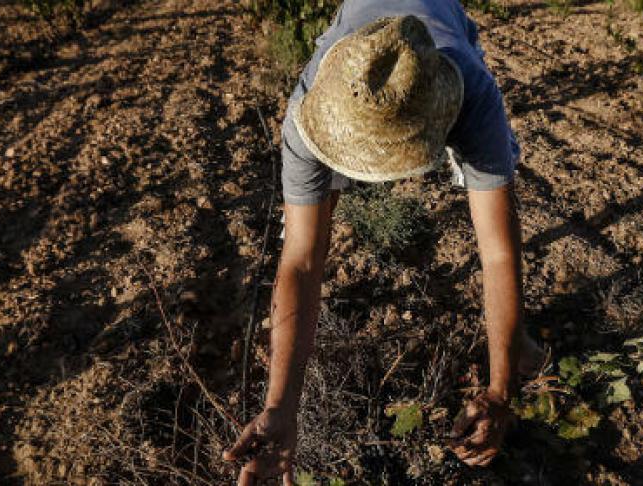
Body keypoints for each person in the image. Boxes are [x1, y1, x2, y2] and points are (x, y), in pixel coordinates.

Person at [224, 1, 543, 483]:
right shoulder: (307, 114)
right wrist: (280, 407)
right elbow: (302, 263)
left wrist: (500, 392)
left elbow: (497, 250)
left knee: (496, 199)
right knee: (309, 222)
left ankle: (514, 342)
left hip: (443, 20)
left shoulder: (472, 92)